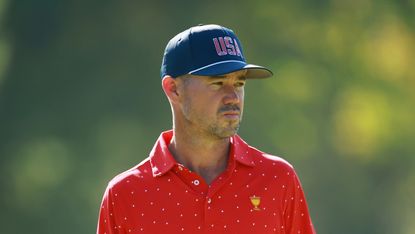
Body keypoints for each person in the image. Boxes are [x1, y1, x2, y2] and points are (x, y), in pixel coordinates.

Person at [97, 24, 316, 234]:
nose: (233, 97)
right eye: (218, 83)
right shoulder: (125, 194)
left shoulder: (277, 179)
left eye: (239, 83)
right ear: (174, 90)